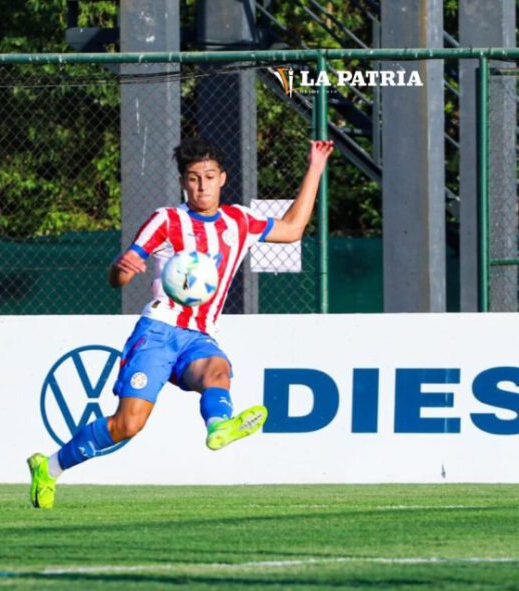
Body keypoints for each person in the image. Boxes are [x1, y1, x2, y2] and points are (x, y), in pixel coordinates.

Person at [27, 137, 334, 509]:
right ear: (183, 182)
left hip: (199, 335)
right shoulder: (166, 220)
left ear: (223, 178)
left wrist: (315, 167)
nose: (202, 186)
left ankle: (219, 425)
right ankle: (49, 466)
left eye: (209, 177)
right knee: (128, 425)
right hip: (157, 331)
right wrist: (122, 269)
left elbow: (293, 228)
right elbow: (118, 276)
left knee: (217, 370)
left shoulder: (239, 221)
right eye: (193, 178)